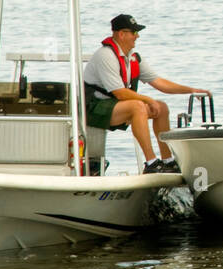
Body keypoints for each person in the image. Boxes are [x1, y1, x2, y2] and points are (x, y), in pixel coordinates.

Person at [83, 14, 211, 173]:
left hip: (112, 107)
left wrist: (190, 90)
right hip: (92, 109)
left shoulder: (133, 58)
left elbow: (160, 83)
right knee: (138, 106)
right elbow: (120, 93)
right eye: (134, 32)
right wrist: (148, 100)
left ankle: (167, 161)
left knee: (162, 108)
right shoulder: (106, 55)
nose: (137, 36)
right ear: (121, 34)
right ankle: (151, 163)